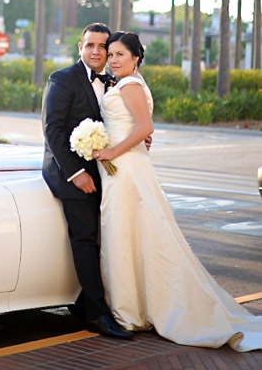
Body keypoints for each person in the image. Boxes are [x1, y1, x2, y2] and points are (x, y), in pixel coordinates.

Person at [95, 31, 262, 352]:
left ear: (135, 58)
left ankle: (130, 313)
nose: (114, 60)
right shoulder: (128, 83)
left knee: (125, 235)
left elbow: (145, 128)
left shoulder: (129, 85)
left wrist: (109, 152)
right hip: (129, 168)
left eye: (120, 55)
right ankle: (133, 308)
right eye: (111, 54)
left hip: (126, 170)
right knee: (133, 236)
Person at [41, 22, 134, 339]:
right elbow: (52, 130)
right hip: (71, 175)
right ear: (80, 47)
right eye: (90, 45)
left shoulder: (112, 81)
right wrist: (75, 174)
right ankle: (97, 315)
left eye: (102, 47)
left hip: (105, 173)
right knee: (85, 239)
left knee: (107, 239)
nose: (96, 52)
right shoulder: (62, 79)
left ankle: (85, 302)